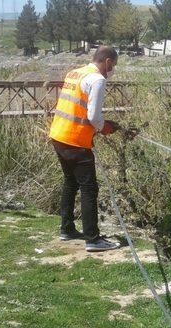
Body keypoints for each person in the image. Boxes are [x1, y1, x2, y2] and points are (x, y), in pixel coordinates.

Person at [48, 46, 120, 252]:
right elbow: (94, 117)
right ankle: (92, 239)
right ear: (107, 62)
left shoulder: (75, 73)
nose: (112, 70)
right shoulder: (97, 79)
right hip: (76, 140)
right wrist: (104, 127)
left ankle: (67, 229)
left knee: (70, 182)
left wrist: (99, 126)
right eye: (113, 66)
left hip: (59, 134)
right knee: (89, 188)